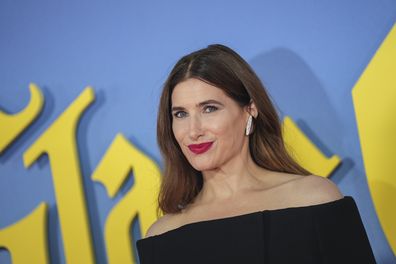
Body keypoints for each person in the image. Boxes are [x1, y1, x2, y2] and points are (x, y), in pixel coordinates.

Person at [136, 44, 376, 263]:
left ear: (250, 109)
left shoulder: (314, 199)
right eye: (180, 114)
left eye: (209, 109)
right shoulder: (162, 236)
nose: (193, 130)